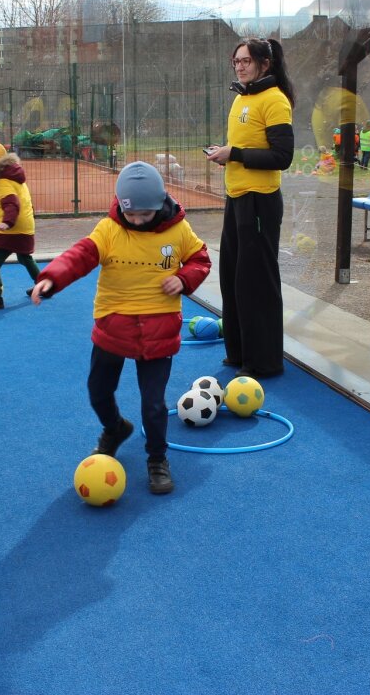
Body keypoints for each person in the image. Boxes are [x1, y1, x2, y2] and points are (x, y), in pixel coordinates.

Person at [31, 162, 210, 495]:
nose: (138, 221)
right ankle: (114, 428)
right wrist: (51, 278)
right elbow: (80, 256)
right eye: (131, 215)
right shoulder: (109, 230)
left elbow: (200, 258)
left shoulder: (179, 231)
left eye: (145, 214)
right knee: (98, 391)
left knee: (154, 405)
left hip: (158, 328)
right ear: (121, 207)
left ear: (160, 203)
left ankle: (157, 459)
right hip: (114, 325)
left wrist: (184, 279)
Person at [204, 37, 296, 379]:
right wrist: (226, 153)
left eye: (246, 61)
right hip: (237, 197)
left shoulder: (275, 100)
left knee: (256, 282)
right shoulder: (242, 98)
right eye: (236, 61)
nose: (240, 66)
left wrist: (236, 154)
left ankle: (264, 361)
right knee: (233, 277)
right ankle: (240, 353)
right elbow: (243, 147)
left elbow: (282, 157)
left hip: (260, 202)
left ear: (264, 64)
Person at [0, 142, 41, 309]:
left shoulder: (1, 181)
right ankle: (43, 286)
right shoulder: (16, 176)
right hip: (26, 225)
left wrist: (7, 222)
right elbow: (25, 202)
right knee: (24, 257)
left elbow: (11, 203)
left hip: (11, 228)